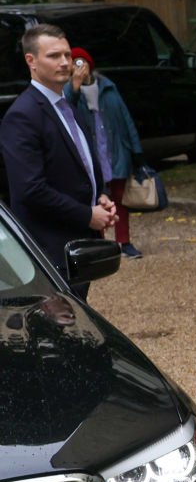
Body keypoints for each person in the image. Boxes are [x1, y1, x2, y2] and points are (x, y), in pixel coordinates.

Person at [0, 25, 118, 297]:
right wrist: (87, 215)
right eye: (54, 56)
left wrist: (99, 195)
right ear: (31, 61)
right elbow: (30, 189)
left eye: (67, 54)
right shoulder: (23, 116)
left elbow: (80, 165)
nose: (65, 62)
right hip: (47, 251)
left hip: (74, 246)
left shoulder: (68, 107)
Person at [68, 48, 148, 260]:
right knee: (95, 200)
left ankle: (124, 241)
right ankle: (100, 244)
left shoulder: (108, 87)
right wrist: (74, 87)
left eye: (82, 62)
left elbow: (126, 118)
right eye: (75, 63)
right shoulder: (68, 91)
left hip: (114, 149)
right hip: (91, 154)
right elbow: (66, 114)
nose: (80, 67)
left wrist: (137, 152)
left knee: (120, 198)